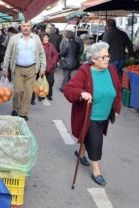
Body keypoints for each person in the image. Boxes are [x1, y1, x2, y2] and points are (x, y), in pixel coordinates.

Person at [63, 42, 122, 186]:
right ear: (93, 59)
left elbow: (118, 90)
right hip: (90, 115)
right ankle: (96, 171)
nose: (107, 59)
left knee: (90, 136)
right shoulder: (85, 71)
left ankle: (81, 154)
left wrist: (117, 109)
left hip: (105, 115)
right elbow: (69, 89)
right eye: (103, 57)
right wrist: (81, 93)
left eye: (108, 56)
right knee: (96, 143)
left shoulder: (112, 70)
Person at [2, 20, 46, 121]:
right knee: (18, 91)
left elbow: (41, 54)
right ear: (20, 27)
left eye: (27, 26)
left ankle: (23, 112)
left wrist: (42, 68)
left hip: (32, 69)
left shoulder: (36, 38)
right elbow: (8, 54)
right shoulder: (14, 39)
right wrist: (5, 68)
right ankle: (16, 108)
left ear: (31, 27)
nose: (26, 28)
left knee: (28, 92)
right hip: (17, 68)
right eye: (23, 26)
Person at [38, 32, 58, 101]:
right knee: (41, 82)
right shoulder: (39, 46)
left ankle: (49, 94)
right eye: (46, 37)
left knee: (51, 81)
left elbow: (55, 54)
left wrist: (53, 63)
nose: (47, 38)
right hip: (41, 68)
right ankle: (41, 95)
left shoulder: (50, 45)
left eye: (47, 37)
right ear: (41, 38)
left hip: (50, 67)